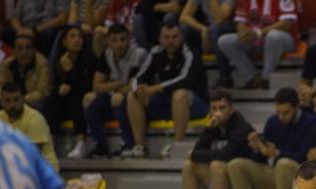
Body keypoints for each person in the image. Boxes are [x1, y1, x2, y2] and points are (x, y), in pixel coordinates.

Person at [174, 91, 255, 189]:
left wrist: (194, 154)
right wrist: (208, 130)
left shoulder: (242, 127)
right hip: (219, 182)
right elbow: (196, 155)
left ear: (231, 109)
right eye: (214, 108)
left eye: (222, 108)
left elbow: (226, 155)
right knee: (189, 166)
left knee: (216, 165)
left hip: (241, 184)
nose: (217, 112)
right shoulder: (214, 127)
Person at [125, 21, 209, 159]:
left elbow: (186, 79)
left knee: (180, 94)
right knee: (132, 96)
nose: (170, 41)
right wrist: (138, 88)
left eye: (174, 37)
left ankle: (177, 145)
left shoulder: (191, 52)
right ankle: (140, 146)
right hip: (167, 102)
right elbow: (140, 76)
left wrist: (157, 88)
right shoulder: (156, 52)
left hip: (195, 104)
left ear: (182, 38)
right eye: (166, 37)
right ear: (160, 39)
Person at [81, 23, 146, 158]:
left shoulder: (139, 55)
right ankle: (100, 145)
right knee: (89, 100)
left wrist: (113, 87)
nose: (119, 44)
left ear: (129, 39)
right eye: (114, 40)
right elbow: (96, 86)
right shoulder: (107, 55)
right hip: (116, 96)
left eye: (122, 40)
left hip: (137, 99)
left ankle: (128, 143)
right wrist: (118, 83)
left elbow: (134, 85)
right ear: (108, 41)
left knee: (119, 97)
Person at [252, 87, 316, 189]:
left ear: (296, 107)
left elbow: (306, 157)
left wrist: (278, 154)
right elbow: (262, 158)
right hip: (275, 171)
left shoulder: (312, 123)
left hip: (300, 173)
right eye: (278, 112)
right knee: (237, 165)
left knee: (283, 163)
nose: (281, 117)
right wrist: (258, 149)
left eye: (286, 112)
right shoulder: (272, 122)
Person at [216, 0, 298, 90]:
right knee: (224, 41)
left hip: (283, 39)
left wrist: (258, 33)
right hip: (256, 38)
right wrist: (243, 32)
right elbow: (240, 22)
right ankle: (252, 78)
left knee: (273, 36)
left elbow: (286, 23)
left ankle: (267, 79)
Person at [45, 25, 96, 159]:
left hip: (83, 99)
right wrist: (60, 88)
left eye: (80, 37)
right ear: (64, 42)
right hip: (64, 102)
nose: (77, 40)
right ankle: (51, 142)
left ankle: (81, 143)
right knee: (51, 100)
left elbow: (86, 86)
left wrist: (69, 72)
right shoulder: (59, 60)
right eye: (72, 36)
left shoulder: (90, 59)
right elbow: (54, 84)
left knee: (76, 99)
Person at [0, 82, 60, 170]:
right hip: (14, 169)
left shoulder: (35, 118)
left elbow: (32, 155)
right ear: (1, 102)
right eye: (7, 100)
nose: (12, 105)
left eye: (16, 99)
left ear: (23, 99)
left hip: (44, 170)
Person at [0, 34, 51, 111]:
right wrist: (7, 98)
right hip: (10, 99)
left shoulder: (42, 65)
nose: (24, 52)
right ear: (14, 51)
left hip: (31, 101)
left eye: (28, 48)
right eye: (20, 48)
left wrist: (20, 100)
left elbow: (42, 92)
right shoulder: (6, 64)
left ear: (34, 50)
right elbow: (0, 86)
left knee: (41, 104)